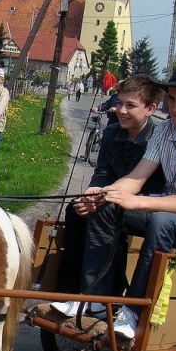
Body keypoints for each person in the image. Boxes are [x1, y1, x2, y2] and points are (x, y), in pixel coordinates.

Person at [78, 59, 176, 340]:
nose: (175, 108)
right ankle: (96, 300)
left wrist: (137, 202)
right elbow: (137, 179)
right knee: (104, 210)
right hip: (170, 213)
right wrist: (105, 193)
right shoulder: (166, 130)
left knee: (162, 221)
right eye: (173, 99)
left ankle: (134, 311)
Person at [54, 75, 166, 311]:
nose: (122, 110)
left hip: (144, 206)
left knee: (106, 213)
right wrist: (91, 191)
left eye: (130, 106)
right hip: (111, 197)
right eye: (120, 103)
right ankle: (69, 292)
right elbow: (103, 172)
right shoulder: (111, 133)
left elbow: (147, 186)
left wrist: (105, 197)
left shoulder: (158, 140)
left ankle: (103, 295)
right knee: (76, 209)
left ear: (150, 109)